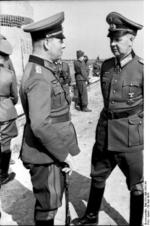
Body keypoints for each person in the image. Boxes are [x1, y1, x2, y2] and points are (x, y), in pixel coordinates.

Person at [75, 12, 144, 226]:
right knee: (97, 175)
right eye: (111, 39)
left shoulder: (143, 69)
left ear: (131, 39)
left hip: (130, 137)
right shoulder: (105, 66)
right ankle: (91, 216)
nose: (113, 44)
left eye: (118, 39)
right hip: (105, 133)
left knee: (138, 185)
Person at [19, 12, 80, 226]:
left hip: (47, 151)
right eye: (60, 40)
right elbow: (40, 124)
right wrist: (63, 154)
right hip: (46, 155)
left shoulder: (41, 70)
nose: (63, 45)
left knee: (49, 203)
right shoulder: (39, 76)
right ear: (46, 43)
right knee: (48, 208)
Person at [0, 37, 18, 185]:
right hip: (5, 111)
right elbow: (15, 96)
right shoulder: (8, 73)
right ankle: (3, 175)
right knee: (5, 143)